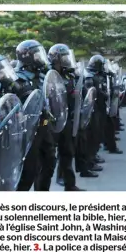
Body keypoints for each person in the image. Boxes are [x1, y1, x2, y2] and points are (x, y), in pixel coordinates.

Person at [12, 40, 54, 191]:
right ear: (27, 57)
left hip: (43, 124)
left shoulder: (41, 76)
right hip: (26, 130)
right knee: (29, 171)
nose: (40, 58)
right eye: (37, 55)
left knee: (49, 162)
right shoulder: (17, 79)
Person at [48, 44, 84, 191]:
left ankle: (70, 184)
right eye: (64, 57)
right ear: (56, 59)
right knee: (48, 159)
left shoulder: (69, 75)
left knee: (68, 152)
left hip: (67, 119)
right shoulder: (48, 75)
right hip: (51, 122)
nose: (67, 60)